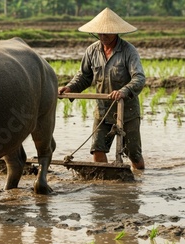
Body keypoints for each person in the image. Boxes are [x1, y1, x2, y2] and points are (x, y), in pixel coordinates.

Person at [58, 8, 145, 169]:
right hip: (103, 110)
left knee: (134, 154)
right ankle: (104, 183)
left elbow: (139, 78)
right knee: (97, 150)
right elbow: (84, 76)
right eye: (100, 33)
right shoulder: (92, 51)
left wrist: (123, 91)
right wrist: (70, 88)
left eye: (107, 33)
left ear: (116, 32)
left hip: (127, 111)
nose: (103, 37)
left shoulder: (128, 51)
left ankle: (139, 181)